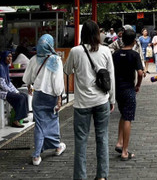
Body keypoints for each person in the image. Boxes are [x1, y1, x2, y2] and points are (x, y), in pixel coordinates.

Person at [64, 20, 115, 180]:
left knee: (80, 141)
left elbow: (67, 70)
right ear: (97, 34)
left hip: (81, 104)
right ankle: (102, 176)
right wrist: (112, 99)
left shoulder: (75, 51)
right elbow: (111, 76)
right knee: (103, 137)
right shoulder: (106, 51)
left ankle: (80, 177)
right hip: (101, 101)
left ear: (82, 34)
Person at [23, 34, 65, 166]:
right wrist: (59, 97)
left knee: (40, 124)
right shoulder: (56, 60)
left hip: (38, 96)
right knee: (52, 121)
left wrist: (30, 85)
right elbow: (58, 82)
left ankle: (42, 153)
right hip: (51, 96)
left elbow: (27, 77)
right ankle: (51, 148)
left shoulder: (34, 59)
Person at [113, 28, 143, 161]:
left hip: (117, 90)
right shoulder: (134, 55)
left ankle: (119, 142)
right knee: (128, 118)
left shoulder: (115, 54)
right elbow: (141, 73)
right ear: (135, 41)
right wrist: (138, 85)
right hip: (129, 89)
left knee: (123, 114)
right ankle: (125, 151)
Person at [0, 51, 29, 128]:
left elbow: (9, 83)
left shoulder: (5, 67)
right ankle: (15, 120)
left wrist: (16, 91)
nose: (10, 58)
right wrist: (13, 92)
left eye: (11, 56)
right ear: (4, 57)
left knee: (24, 95)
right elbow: (2, 85)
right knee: (20, 98)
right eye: (8, 56)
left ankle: (21, 117)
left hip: (5, 91)